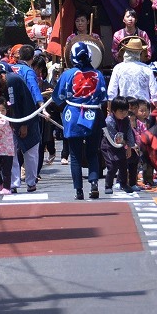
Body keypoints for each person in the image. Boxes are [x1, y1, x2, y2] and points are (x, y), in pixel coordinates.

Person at [54, 41, 108, 200]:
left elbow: (58, 97)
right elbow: (104, 97)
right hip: (93, 114)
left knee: (75, 155)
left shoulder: (68, 74)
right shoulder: (98, 75)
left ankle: (78, 190)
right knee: (93, 152)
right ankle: (94, 184)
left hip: (73, 113)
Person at [0, 59, 42, 194]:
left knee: (31, 152)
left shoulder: (15, 80)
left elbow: (27, 102)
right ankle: (13, 182)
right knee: (11, 153)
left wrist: (24, 124)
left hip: (26, 119)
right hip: (8, 123)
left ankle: (31, 182)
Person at [108, 37, 157, 105]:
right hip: (143, 108)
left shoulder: (118, 68)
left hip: (125, 107)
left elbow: (111, 92)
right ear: (140, 53)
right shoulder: (146, 69)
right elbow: (154, 93)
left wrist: (110, 109)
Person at [102, 97, 137, 194]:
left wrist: (130, 147)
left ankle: (124, 183)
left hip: (121, 145)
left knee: (123, 164)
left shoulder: (126, 120)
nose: (124, 114)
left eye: (126, 111)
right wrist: (122, 143)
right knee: (112, 166)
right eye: (121, 111)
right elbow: (113, 137)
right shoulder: (109, 121)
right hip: (108, 146)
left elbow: (129, 133)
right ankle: (108, 185)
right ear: (114, 111)